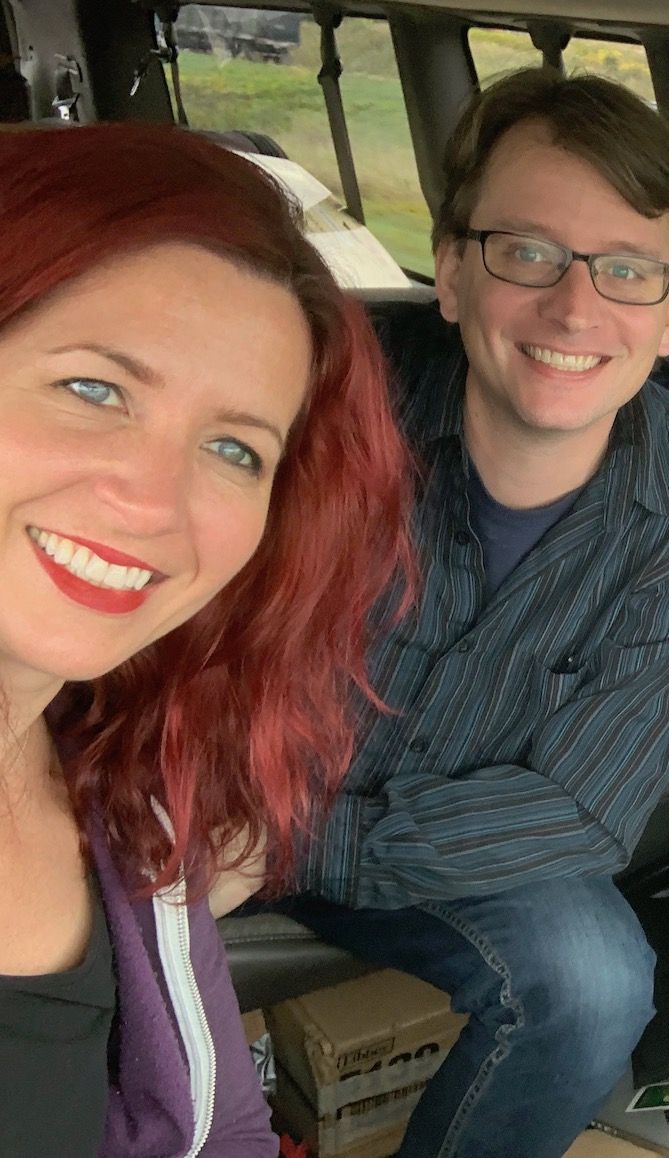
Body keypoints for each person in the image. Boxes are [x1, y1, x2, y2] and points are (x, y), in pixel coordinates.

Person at [272, 67, 669, 1158]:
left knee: (592, 984)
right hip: (214, 796)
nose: (574, 307)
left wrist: (304, 839)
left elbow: (584, 809)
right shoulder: (320, 400)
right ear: (449, 271)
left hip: (409, 850)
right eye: (527, 252)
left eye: (626, 270)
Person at [0, 123, 414, 1156]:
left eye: (233, 448)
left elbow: (217, 1120)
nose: (153, 504)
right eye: (95, 388)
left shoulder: (123, 785)